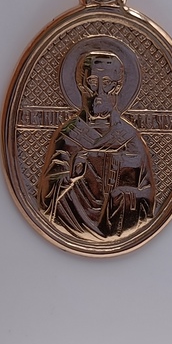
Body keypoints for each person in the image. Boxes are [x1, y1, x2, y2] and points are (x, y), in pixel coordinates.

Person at [39, 50, 154, 238]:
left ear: (117, 87)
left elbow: (148, 198)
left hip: (117, 227)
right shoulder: (69, 136)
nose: (99, 92)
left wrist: (121, 196)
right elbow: (45, 199)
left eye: (107, 83)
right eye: (92, 82)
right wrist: (69, 177)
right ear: (81, 85)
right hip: (72, 225)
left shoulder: (130, 137)